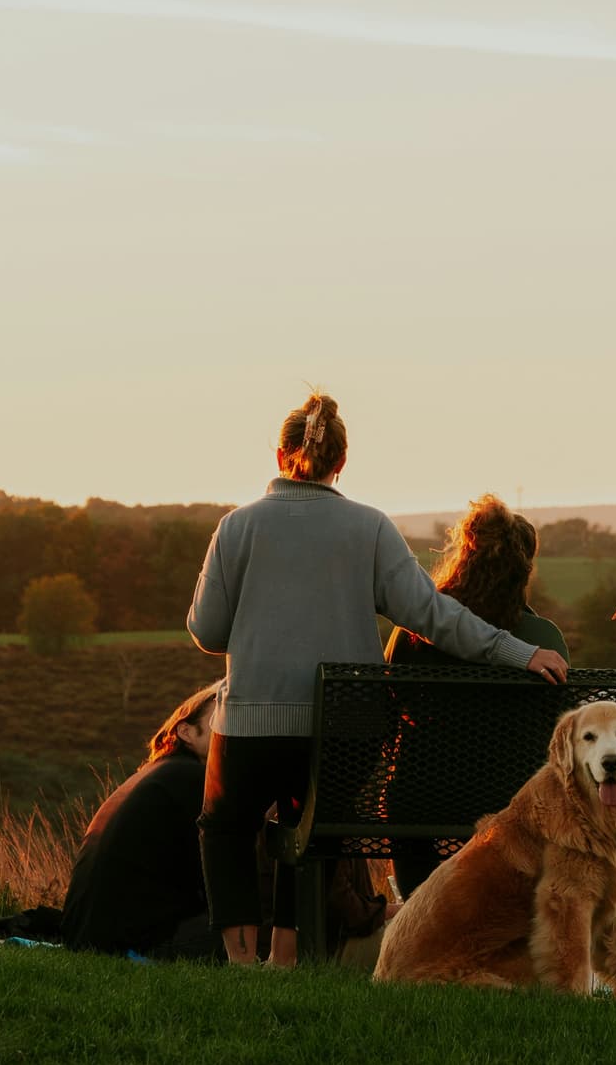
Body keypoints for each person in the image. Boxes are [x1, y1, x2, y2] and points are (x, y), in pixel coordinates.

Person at [185, 392, 569, 965]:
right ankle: (286, 958)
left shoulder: (235, 528)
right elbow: (434, 617)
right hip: (344, 734)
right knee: (309, 826)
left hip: (253, 728)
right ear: (340, 462)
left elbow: (208, 632)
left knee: (225, 824)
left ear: (282, 454)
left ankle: (243, 961)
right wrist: (516, 652)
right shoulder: (370, 528)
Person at [385, 494, 571, 900]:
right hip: (511, 804)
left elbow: (388, 704)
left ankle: (420, 915)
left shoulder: (415, 633)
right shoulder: (544, 641)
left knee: (405, 803)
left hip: (422, 796)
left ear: (463, 556)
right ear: (525, 569)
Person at [51, 684, 225, 956]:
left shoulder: (162, 774)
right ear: (186, 731)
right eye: (221, 717)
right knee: (265, 926)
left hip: (89, 936)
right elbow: (220, 877)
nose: (231, 726)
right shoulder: (191, 779)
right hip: (137, 942)